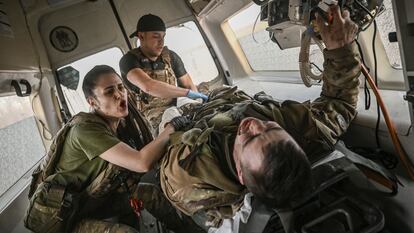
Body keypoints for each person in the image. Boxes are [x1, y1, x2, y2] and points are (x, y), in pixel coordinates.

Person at [158, 5, 361, 228]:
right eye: (270, 128)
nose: (253, 124)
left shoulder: (187, 172)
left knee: (173, 105)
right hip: (226, 95)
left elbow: (168, 150)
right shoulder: (297, 138)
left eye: (250, 138)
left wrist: (173, 121)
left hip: (192, 115)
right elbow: (340, 105)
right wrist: (340, 49)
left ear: (241, 175)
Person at [24, 65, 204, 233]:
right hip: (64, 216)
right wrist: (172, 127)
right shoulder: (85, 130)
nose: (119, 95)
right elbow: (141, 162)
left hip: (89, 200)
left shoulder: (117, 124)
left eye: (120, 87)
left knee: (150, 193)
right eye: (109, 92)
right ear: (92, 102)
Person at [120, 13, 208, 135]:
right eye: (156, 37)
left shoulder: (170, 56)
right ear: (141, 36)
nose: (161, 42)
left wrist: (198, 101)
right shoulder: (129, 61)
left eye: (163, 36)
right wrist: (187, 93)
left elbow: (188, 84)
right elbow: (149, 86)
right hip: (152, 117)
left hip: (178, 105)